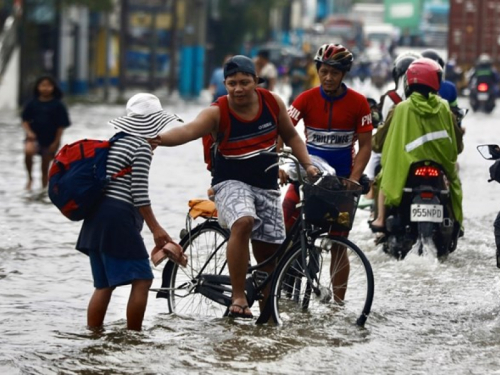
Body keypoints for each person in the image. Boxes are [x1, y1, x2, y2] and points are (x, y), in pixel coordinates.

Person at [152, 55, 319, 319]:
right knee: (243, 221)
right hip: (229, 183)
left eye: (243, 82)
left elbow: (290, 136)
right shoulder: (216, 112)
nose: (238, 89)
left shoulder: (272, 102)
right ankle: (239, 297)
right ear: (225, 85)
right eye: (231, 83)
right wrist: (157, 139)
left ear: (255, 81)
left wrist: (308, 165)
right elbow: (188, 131)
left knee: (268, 256)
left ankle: (267, 317)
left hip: (266, 186)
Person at [76, 93, 181, 331]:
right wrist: (156, 228)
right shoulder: (141, 147)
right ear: (153, 121)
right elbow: (139, 194)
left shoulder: (116, 140)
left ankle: (94, 338)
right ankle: (134, 337)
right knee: (143, 279)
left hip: (96, 217)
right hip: (118, 217)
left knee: (103, 285)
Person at [280, 43, 373, 302]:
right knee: (284, 225)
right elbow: (284, 129)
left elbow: (366, 146)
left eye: (334, 73)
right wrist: (279, 164)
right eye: (323, 71)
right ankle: (280, 285)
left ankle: (338, 305)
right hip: (308, 176)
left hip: (342, 182)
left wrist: (353, 180)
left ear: (344, 74)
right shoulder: (306, 99)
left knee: (338, 244)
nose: (328, 78)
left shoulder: (359, 103)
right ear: (317, 70)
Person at [369, 58, 463, 233]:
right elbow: (457, 143)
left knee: (383, 179)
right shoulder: (444, 108)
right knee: (454, 184)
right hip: (439, 166)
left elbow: (378, 142)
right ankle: (456, 221)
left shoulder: (400, 108)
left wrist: (375, 142)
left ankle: (381, 220)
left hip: (406, 167)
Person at [21, 75, 71, 190]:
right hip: (33, 137)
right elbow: (25, 120)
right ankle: (30, 178)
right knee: (28, 151)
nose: (45, 88)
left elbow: (61, 126)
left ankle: (44, 186)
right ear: (38, 87)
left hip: (51, 138)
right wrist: (29, 132)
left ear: (53, 87)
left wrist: (56, 142)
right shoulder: (31, 103)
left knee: (45, 164)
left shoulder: (58, 105)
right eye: (43, 85)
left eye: (48, 86)